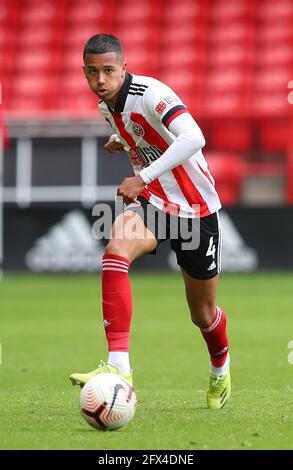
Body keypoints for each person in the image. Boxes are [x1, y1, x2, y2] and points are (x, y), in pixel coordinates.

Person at [70, 34, 231, 409]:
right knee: (115, 251)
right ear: (84, 73)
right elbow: (145, 136)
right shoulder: (106, 106)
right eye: (92, 72)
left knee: (203, 315)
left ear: (124, 68)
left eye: (109, 70)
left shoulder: (151, 92)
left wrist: (141, 175)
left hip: (196, 211)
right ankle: (118, 368)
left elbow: (194, 137)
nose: (101, 80)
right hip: (156, 202)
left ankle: (220, 367)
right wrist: (121, 139)